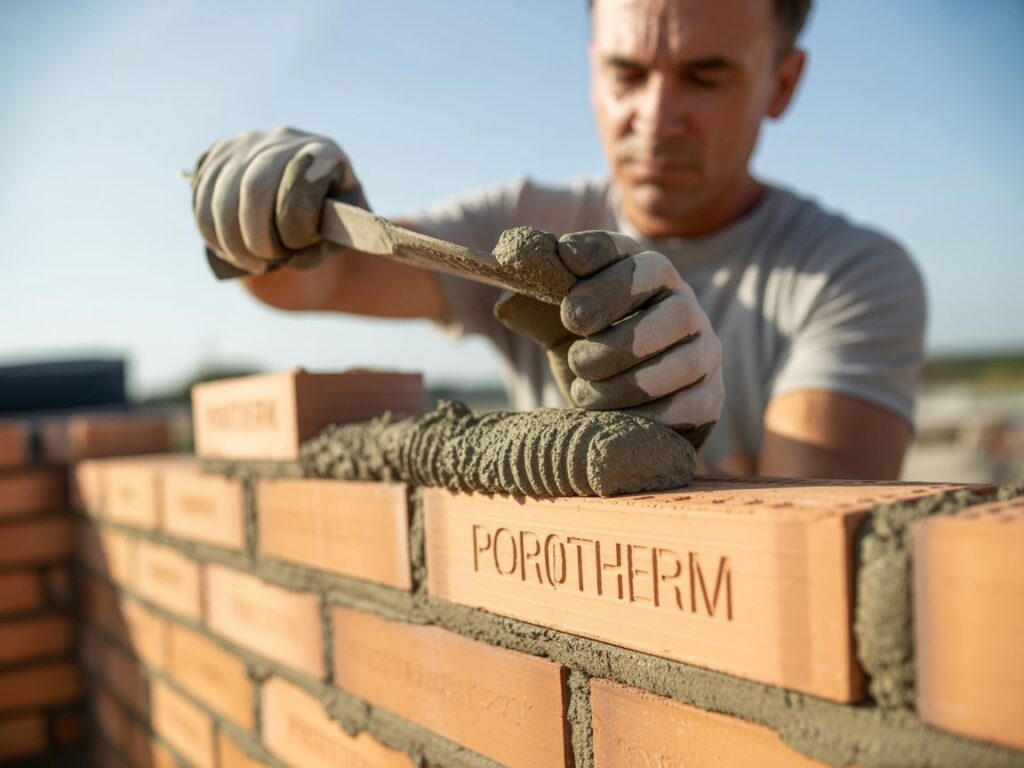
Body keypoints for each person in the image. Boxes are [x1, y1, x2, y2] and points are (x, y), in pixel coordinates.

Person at [189, 0, 925, 480]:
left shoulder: (854, 276)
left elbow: (810, 549)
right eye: (627, 73)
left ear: (783, 85)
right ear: (591, 71)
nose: (656, 116)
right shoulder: (521, 225)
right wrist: (272, 225)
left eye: (705, 77)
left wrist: (673, 455)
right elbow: (323, 281)